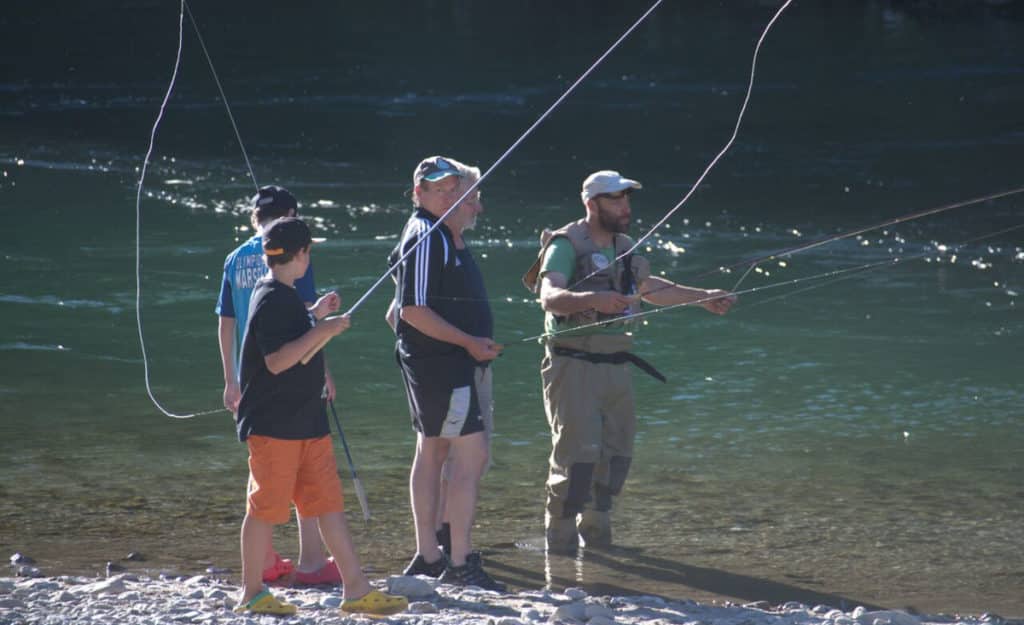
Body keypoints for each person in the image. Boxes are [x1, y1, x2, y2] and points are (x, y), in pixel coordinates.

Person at [522, 170, 736, 554]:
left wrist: (702, 296)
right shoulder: (564, 244)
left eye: (626, 199)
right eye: (615, 200)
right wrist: (592, 299)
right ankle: (560, 547)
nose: (625, 207)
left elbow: (649, 288)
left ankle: (599, 544)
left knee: (616, 454)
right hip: (572, 365)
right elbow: (549, 295)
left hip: (617, 366)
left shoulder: (626, 245)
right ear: (591, 204)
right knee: (577, 457)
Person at [233, 216, 407, 616]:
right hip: (275, 427)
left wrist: (314, 314)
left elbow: (289, 334)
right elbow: (277, 361)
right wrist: (322, 330)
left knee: (327, 505)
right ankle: (251, 592)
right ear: (302, 254)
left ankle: (356, 589)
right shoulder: (271, 296)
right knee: (264, 508)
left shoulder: (286, 295)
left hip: (308, 422)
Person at [215, 185, 341, 586]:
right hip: (290, 379)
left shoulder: (235, 259)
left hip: (249, 380)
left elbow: (227, 321)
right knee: (298, 465)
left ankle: (265, 560)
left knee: (263, 473)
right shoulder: (292, 251)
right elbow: (302, 323)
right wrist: (325, 372)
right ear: (290, 215)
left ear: (255, 217)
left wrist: (229, 378)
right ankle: (310, 558)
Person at [389, 155, 504, 590]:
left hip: (440, 368)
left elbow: (394, 314)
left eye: (456, 189)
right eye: (441, 189)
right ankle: (458, 562)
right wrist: (467, 343)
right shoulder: (426, 235)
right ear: (418, 193)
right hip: (446, 370)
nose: (452, 197)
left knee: (434, 452)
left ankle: (430, 554)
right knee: (469, 459)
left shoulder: (439, 236)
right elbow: (411, 310)